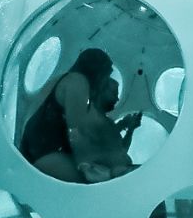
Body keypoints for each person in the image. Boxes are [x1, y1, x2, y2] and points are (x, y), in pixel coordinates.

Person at [18, 48, 141, 183]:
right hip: (44, 153)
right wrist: (86, 168)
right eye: (106, 74)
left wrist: (123, 128)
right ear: (98, 71)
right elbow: (77, 131)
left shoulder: (68, 81)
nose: (106, 80)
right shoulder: (77, 81)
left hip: (36, 150)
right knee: (100, 186)